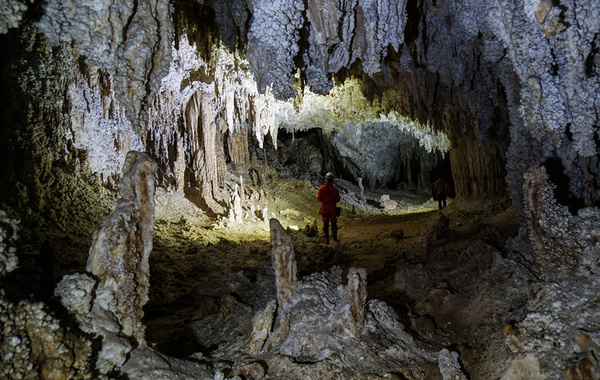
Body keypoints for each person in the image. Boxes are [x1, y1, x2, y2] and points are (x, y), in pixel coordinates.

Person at [317, 172, 341, 244]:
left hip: (324, 207)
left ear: (326, 179)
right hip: (332, 207)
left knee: (325, 222)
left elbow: (319, 198)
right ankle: (335, 239)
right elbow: (338, 199)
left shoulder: (321, 188)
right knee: (333, 222)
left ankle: (326, 240)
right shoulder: (335, 189)